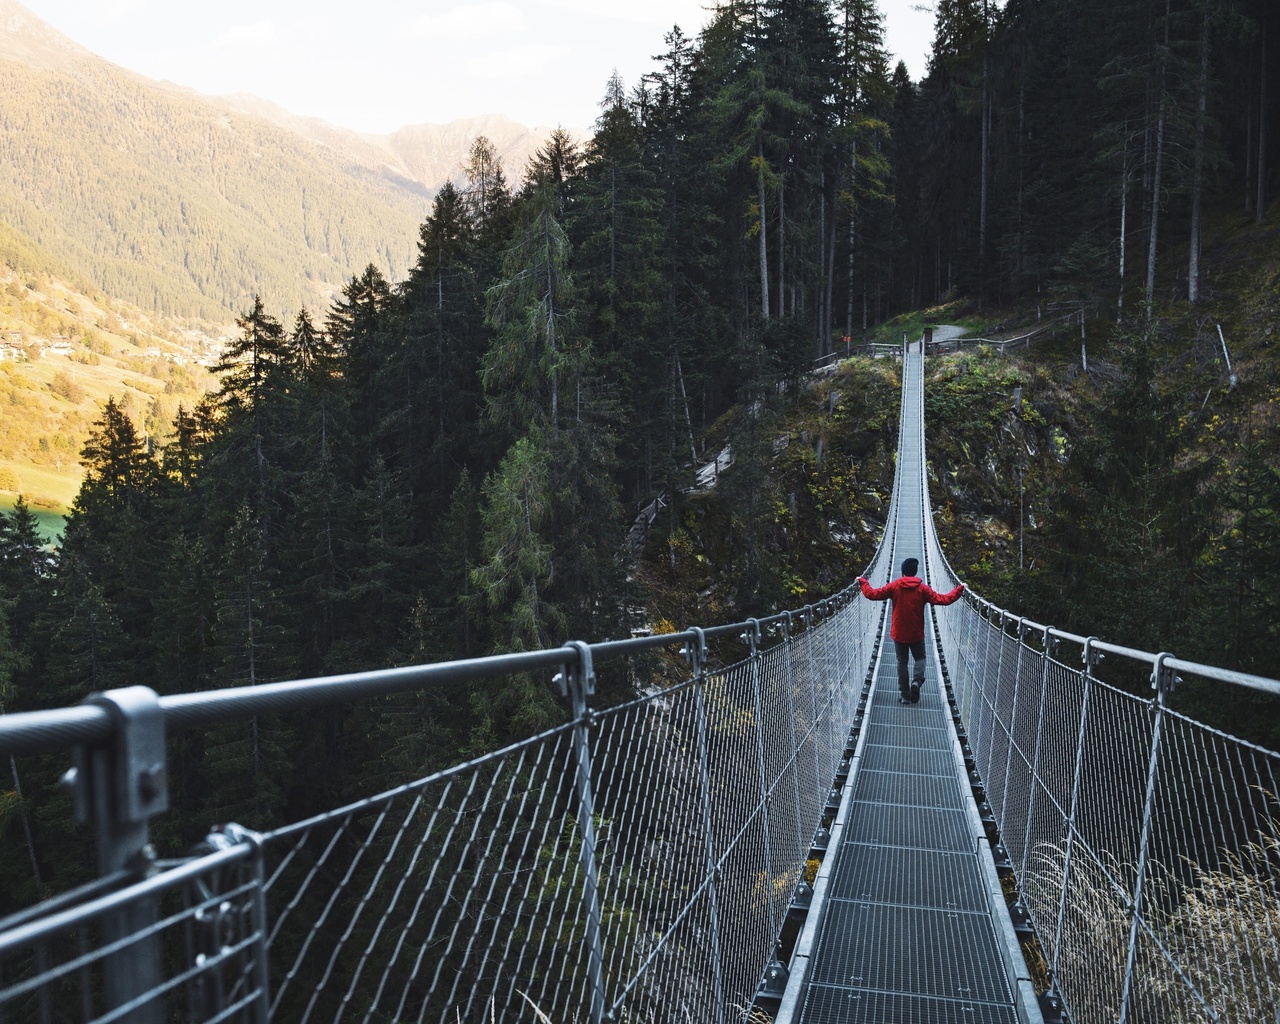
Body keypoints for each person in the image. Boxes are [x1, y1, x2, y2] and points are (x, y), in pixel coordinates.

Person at [857, 558, 964, 705]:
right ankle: (917, 681)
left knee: (902, 661)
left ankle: (905, 695)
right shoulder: (923, 589)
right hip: (916, 633)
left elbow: (872, 594)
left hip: (899, 633)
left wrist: (863, 582)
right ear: (915, 572)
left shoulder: (894, 586)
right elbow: (943, 599)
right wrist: (960, 589)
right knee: (920, 658)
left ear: (902, 571)